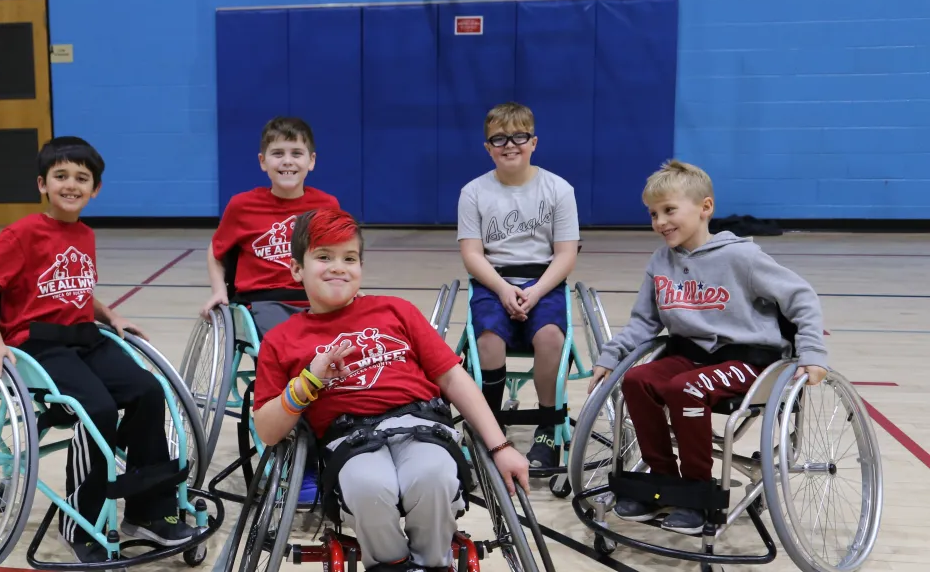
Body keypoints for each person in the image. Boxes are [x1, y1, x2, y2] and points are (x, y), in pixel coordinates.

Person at [252, 207, 530, 572]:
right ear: (296, 269)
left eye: (349, 258)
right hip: (349, 437)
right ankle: (390, 565)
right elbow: (268, 431)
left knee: (434, 475)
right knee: (370, 485)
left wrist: (501, 446)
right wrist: (309, 382)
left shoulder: (396, 311)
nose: (338, 267)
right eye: (324, 256)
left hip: (421, 424)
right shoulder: (281, 340)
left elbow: (453, 379)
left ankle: (432, 564)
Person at [0, 136, 197, 562]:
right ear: (42, 184)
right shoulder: (23, 232)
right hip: (37, 345)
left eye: (82, 178)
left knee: (149, 391)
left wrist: (111, 315)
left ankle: (147, 512)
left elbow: (73, 290)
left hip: (85, 338)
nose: (71, 185)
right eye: (61, 176)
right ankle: (80, 522)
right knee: (99, 409)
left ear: (95, 189)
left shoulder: (84, 233)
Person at [588, 160, 830, 535]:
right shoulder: (660, 261)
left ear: (705, 208)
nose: (660, 222)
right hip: (689, 356)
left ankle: (698, 491)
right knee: (637, 381)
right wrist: (611, 356)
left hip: (748, 360)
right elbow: (643, 323)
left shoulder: (741, 257)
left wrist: (813, 353)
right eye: (653, 214)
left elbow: (801, 297)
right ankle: (663, 483)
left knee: (684, 388)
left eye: (670, 210)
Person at [205, 115, 339, 502]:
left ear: (311, 161)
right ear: (262, 161)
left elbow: (336, 257)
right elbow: (217, 255)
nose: (287, 161)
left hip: (314, 299)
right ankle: (304, 465)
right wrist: (218, 291)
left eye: (296, 153)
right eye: (277, 153)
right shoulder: (243, 206)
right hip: (262, 302)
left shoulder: (325, 204)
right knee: (304, 364)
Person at [456, 101, 580, 470]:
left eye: (519, 137)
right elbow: (472, 254)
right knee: (489, 343)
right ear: (488, 147)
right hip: (493, 280)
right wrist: (503, 289)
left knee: (550, 339)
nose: (510, 145)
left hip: (544, 280)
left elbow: (566, 254)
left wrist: (537, 290)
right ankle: (488, 424)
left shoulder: (559, 189)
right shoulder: (473, 192)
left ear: (534, 142)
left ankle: (546, 427)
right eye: (499, 139)